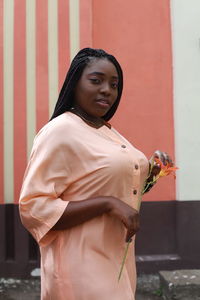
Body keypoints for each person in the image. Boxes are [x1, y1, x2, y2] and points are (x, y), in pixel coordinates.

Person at [19, 48, 172, 300]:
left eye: (114, 84)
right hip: (79, 266)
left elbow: (113, 190)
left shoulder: (108, 132)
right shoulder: (60, 131)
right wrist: (107, 204)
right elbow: (33, 207)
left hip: (116, 261)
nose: (107, 90)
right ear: (74, 82)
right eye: (96, 80)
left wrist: (151, 175)